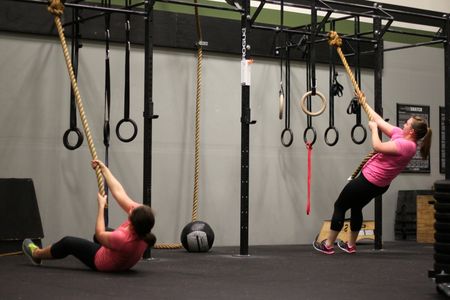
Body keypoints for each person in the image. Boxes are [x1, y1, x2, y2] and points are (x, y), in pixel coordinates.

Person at [313, 103, 432, 255]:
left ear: (412, 131)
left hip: (368, 182)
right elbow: (378, 119)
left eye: (407, 124)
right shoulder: (399, 135)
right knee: (356, 207)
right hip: (377, 184)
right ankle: (350, 245)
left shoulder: (407, 145)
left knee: (340, 206)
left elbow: (377, 146)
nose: (403, 124)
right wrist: (364, 102)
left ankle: (328, 245)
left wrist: (374, 129)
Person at [22, 160, 156, 271]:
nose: (131, 209)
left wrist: (101, 206)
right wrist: (104, 169)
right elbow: (119, 193)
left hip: (103, 264)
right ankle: (112, 252)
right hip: (123, 257)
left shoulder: (122, 239)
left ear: (132, 224)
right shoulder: (144, 225)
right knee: (105, 234)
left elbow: (99, 233)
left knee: (68, 242)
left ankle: (36, 254)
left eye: (131, 212)